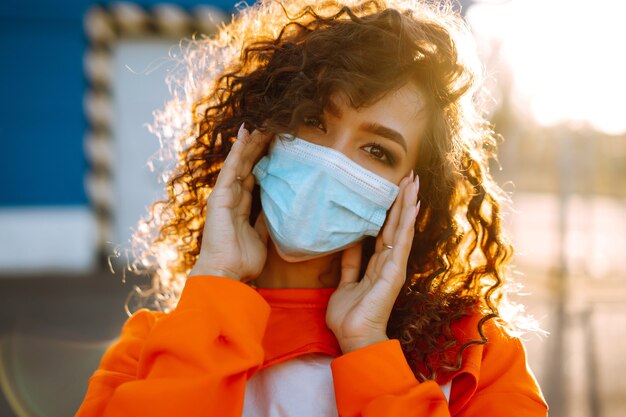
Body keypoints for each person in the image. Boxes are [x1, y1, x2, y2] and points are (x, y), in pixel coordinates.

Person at [76, 0, 548, 416]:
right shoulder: (150, 352)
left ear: (416, 198)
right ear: (261, 130)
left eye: (377, 151)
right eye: (313, 121)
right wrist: (216, 284)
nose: (331, 160)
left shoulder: (473, 358)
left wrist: (367, 345)